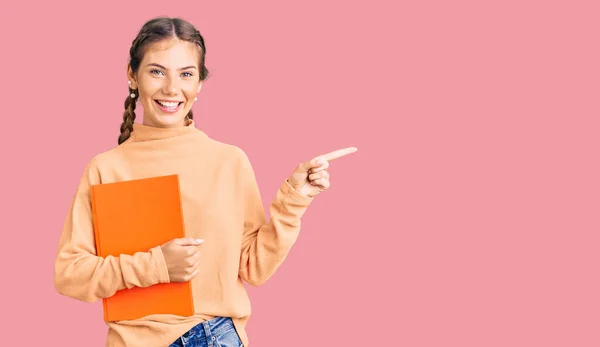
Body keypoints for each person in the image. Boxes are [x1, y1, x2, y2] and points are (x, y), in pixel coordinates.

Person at [53, 16, 356, 347]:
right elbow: (71, 275)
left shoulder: (228, 161)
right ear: (132, 75)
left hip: (217, 336)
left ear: (199, 85)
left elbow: (254, 268)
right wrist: (155, 265)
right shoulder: (105, 169)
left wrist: (295, 199)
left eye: (186, 74)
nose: (172, 89)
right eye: (157, 71)